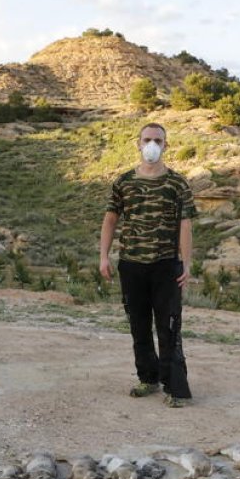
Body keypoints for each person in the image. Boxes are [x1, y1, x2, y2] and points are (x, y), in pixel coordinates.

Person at [99, 122, 196, 407]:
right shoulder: (124, 182)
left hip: (166, 265)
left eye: (158, 140)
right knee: (138, 327)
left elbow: (186, 224)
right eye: (147, 139)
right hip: (131, 264)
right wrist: (104, 256)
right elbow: (110, 219)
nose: (152, 144)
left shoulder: (177, 183)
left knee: (168, 328)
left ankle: (175, 388)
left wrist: (186, 263)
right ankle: (148, 378)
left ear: (166, 145)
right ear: (137, 144)